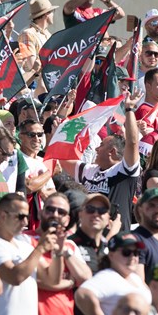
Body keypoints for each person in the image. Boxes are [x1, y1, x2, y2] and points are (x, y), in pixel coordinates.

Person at [61, 92, 141, 231]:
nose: (97, 148)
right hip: (90, 238)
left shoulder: (125, 170)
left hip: (117, 241)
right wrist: (61, 131)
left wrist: (129, 110)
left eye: (102, 145)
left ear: (112, 151)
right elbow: (62, 159)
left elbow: (133, 142)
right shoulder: (89, 170)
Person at [30, 192, 92, 315]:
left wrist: (63, 249)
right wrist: (70, 282)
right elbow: (47, 281)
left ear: (67, 219)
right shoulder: (27, 240)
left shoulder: (70, 246)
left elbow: (86, 278)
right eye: (50, 209)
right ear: (41, 212)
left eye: (61, 212)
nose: (55, 215)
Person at [75, 232, 151, 315]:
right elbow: (82, 295)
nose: (133, 257)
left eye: (136, 253)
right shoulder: (107, 276)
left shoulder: (135, 278)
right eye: (126, 252)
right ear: (111, 255)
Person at [68, 192, 112, 315]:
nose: (96, 214)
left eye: (102, 210)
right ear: (80, 213)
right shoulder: (70, 244)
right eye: (91, 209)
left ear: (109, 218)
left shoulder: (112, 249)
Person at [18, 0, 57, 72]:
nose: (53, 15)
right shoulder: (27, 34)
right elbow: (31, 67)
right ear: (47, 14)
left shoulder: (47, 34)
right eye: (52, 11)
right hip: (34, 82)